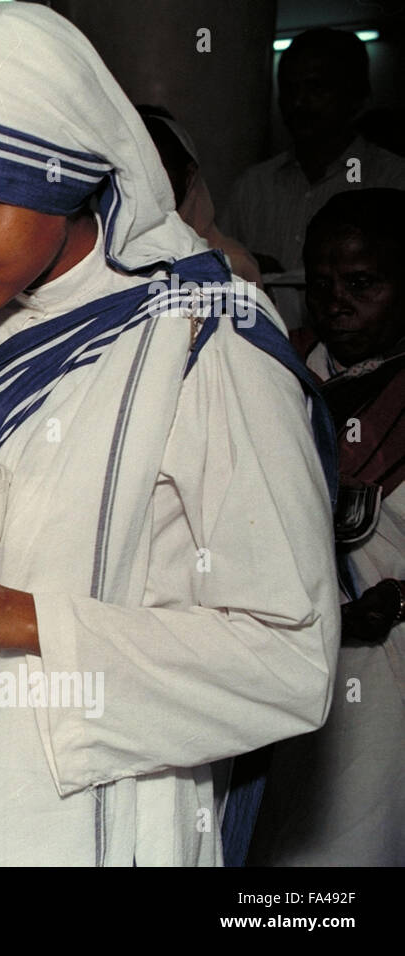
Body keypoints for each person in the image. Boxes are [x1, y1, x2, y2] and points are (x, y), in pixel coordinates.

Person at [0, 3, 340, 866]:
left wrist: (11, 615)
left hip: (80, 817)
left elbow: (290, 660)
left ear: (62, 179)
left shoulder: (201, 343)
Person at [249, 189, 405, 865]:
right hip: (287, 662)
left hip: (389, 673)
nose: (336, 302)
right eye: (320, 285)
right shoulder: (279, 374)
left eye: (363, 284)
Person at [220, 28, 405, 327]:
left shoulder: (392, 179)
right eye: (289, 89)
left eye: (316, 88)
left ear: (356, 95)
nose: (299, 103)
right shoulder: (254, 186)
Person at [137, 106, 262, 286]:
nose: (147, 181)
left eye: (159, 168)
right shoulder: (110, 256)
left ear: (188, 177)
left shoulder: (232, 264)